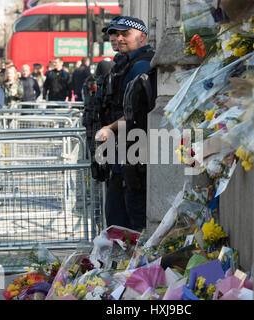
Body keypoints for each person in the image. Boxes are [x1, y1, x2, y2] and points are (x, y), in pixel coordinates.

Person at [95, 17, 156, 231]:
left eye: (124, 33)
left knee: (131, 224)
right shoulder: (122, 63)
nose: (117, 38)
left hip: (134, 154)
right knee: (116, 221)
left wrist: (108, 129)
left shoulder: (142, 65)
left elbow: (136, 113)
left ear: (142, 37)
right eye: (113, 33)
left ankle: (136, 264)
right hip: (121, 153)